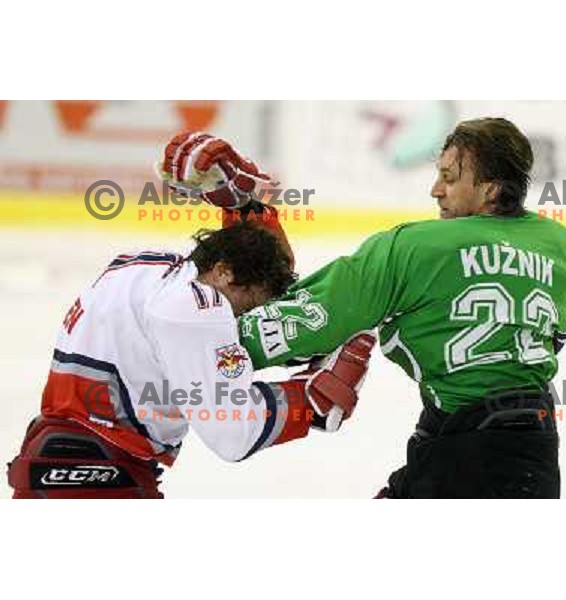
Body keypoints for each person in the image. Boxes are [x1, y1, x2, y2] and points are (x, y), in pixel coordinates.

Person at [7, 136, 376, 499]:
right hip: (99, 479)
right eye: (245, 308)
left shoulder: (147, 266)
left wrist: (245, 207)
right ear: (226, 273)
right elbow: (234, 434)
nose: (240, 322)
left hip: (60, 461)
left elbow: (254, 266)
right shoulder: (197, 308)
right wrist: (309, 402)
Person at [233, 117, 566, 498]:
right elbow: (552, 339)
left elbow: (318, 318)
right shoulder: (557, 241)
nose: (435, 190)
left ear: (491, 190)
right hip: (536, 454)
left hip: (462, 457)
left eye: (449, 178)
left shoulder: (415, 247)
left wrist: (208, 346)